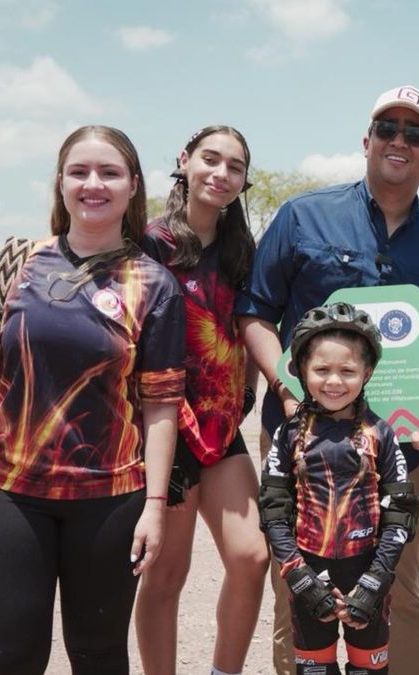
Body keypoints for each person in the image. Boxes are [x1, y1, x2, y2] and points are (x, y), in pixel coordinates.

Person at [235, 84, 419, 674]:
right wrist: (288, 394)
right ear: (366, 141)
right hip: (300, 448)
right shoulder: (303, 216)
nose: (400, 141)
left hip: (400, 451)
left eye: (415, 133)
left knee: (399, 593)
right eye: (387, 129)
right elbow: (256, 314)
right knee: (298, 594)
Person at [0, 125, 185, 674]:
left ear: (133, 186)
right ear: (60, 183)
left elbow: (160, 404)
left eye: (109, 172)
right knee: (10, 657)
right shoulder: (17, 263)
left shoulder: (154, 285)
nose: (93, 184)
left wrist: (155, 506)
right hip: (6, 491)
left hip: (111, 496)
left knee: (98, 656)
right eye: (79, 171)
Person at [135, 125, 270, 675]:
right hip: (164, 427)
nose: (221, 173)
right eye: (210, 159)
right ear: (185, 162)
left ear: (242, 181)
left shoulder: (241, 250)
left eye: (234, 166)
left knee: (252, 555)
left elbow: (250, 324)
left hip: (220, 424)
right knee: (166, 575)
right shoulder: (149, 244)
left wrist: (251, 390)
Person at [259, 302, 418, 675]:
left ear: (368, 372)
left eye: (347, 371)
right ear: (301, 371)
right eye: (321, 370)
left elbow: (400, 513)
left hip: (367, 573)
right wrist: (300, 578)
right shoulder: (288, 435)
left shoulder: (381, 433)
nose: (334, 381)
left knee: (369, 669)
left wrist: (375, 581)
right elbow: (273, 512)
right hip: (307, 575)